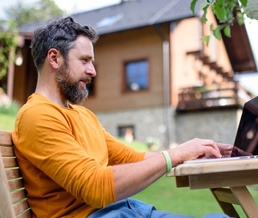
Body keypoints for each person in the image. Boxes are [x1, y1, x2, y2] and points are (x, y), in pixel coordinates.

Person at [12, 16, 232, 218]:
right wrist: (174, 155)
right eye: (85, 60)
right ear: (54, 58)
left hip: (128, 211)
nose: (93, 71)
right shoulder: (37, 116)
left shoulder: (82, 114)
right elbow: (95, 188)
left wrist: (190, 154)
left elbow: (130, 158)